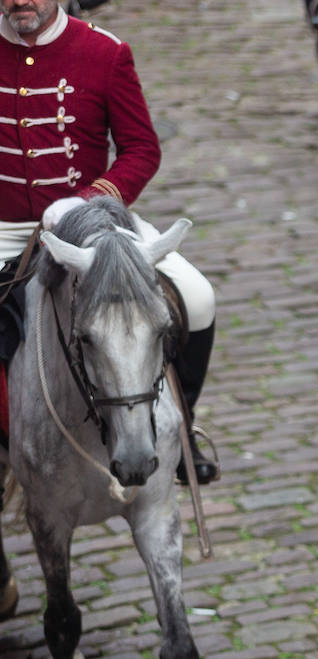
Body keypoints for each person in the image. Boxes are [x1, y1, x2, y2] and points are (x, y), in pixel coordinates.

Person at [0, 0, 217, 484]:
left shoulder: (105, 52)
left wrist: (88, 199)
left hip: (91, 220)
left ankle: (182, 433)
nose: (19, 1)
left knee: (199, 296)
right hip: (3, 225)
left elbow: (141, 149)